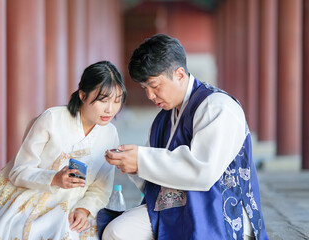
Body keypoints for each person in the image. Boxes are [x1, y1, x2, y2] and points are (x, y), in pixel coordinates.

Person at [103, 34, 268, 240]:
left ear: (180, 74)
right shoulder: (162, 120)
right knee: (116, 231)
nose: (150, 96)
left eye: (154, 86)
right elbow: (153, 179)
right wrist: (131, 165)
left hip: (219, 211)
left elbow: (203, 171)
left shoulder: (217, 106)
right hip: (177, 207)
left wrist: (141, 160)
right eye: (145, 89)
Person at [0, 61, 126, 240]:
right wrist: (54, 179)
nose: (110, 109)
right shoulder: (52, 119)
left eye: (117, 101)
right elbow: (19, 171)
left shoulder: (110, 134)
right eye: (103, 100)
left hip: (75, 204)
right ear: (82, 95)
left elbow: (101, 187)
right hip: (34, 193)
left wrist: (84, 209)